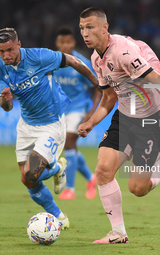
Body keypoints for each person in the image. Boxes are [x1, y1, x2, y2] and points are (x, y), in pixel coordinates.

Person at [78, 7, 160, 243]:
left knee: (138, 189)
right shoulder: (96, 58)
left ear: (105, 27)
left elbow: (156, 79)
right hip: (124, 117)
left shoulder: (123, 52)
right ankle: (118, 233)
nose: (85, 33)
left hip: (150, 120)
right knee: (103, 170)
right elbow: (109, 97)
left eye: (90, 27)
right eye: (82, 28)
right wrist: (91, 122)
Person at [0, 27, 98, 229]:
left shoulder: (40, 57)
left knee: (32, 173)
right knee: (27, 181)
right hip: (26, 126)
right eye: (1, 51)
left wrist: (97, 82)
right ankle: (59, 216)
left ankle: (59, 167)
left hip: (51, 124)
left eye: (10, 50)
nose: (6, 55)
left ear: (19, 44)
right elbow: (7, 108)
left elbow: (73, 61)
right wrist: (5, 100)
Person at [53, 26, 101, 200]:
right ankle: (90, 177)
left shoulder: (82, 63)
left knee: (69, 140)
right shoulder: (52, 61)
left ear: (73, 43)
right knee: (69, 146)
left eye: (68, 42)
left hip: (78, 107)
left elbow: (98, 87)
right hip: (60, 109)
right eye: (62, 42)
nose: (65, 45)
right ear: (57, 44)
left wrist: (91, 112)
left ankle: (70, 189)